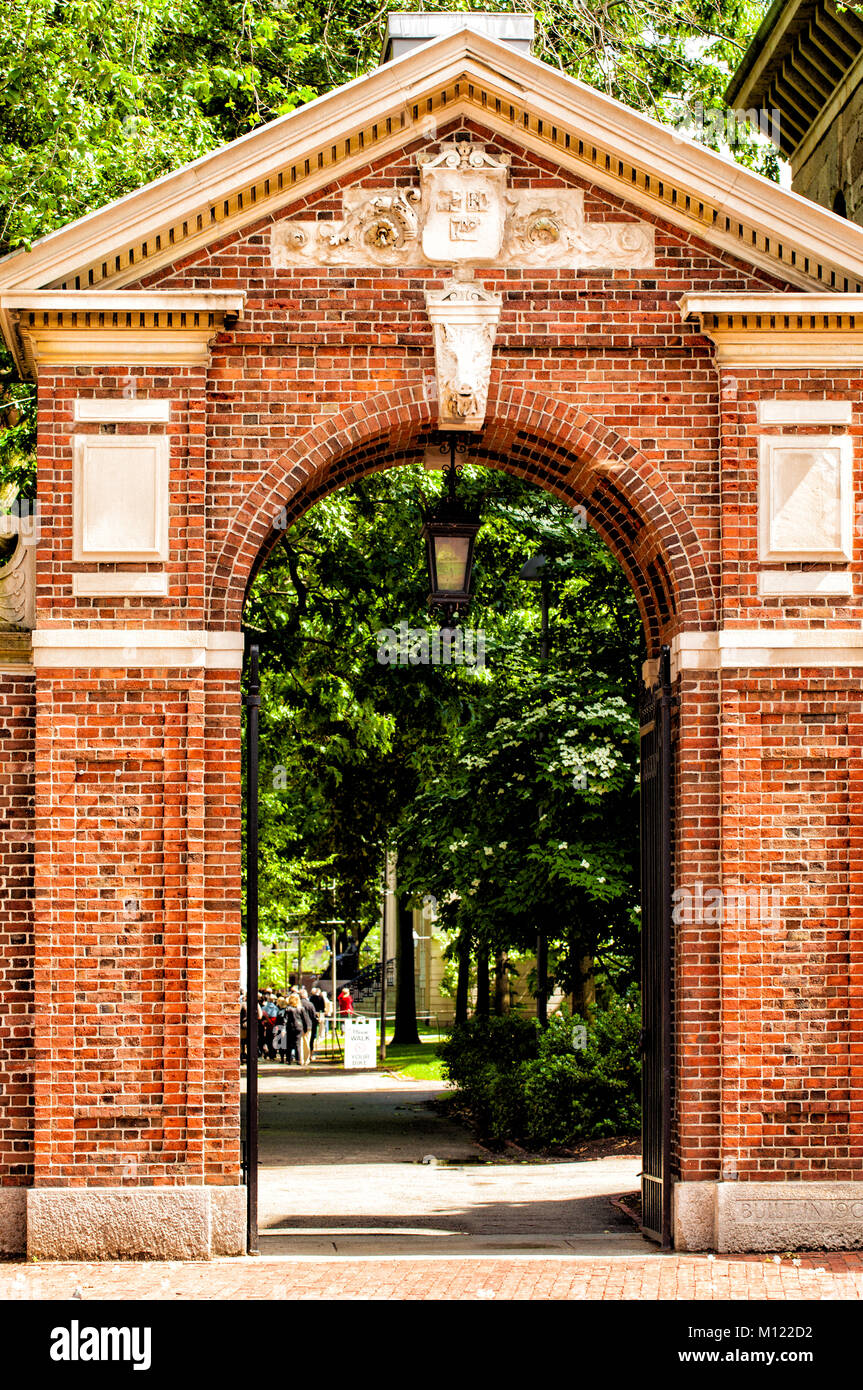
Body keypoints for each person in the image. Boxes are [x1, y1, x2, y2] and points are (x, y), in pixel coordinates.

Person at [283, 991, 305, 1065]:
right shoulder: (301, 1008)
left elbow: (285, 1019)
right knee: (297, 1043)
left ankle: (288, 1059)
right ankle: (298, 1059)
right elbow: (304, 1019)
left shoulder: (288, 1009)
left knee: (289, 1044)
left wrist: (283, 1028)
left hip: (290, 1027)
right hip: (299, 1027)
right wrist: (305, 1028)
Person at [299, 986, 318, 1061]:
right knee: (307, 1042)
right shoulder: (310, 1004)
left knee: (300, 1043)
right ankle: (306, 1058)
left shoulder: (297, 1004)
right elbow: (313, 1016)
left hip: (298, 1025)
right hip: (308, 1025)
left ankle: (300, 1058)